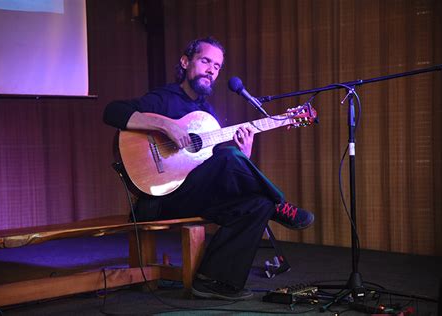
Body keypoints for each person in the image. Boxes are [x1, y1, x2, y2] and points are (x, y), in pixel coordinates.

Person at [103, 36, 314, 301]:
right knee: (229, 159)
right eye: (205, 61)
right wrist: (165, 126)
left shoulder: (206, 114)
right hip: (159, 198)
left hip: (194, 194)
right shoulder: (163, 99)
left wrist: (244, 154)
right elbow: (112, 111)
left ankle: (215, 281)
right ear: (185, 62)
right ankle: (281, 203)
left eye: (217, 66)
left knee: (258, 203)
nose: (212, 70)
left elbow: (213, 169)